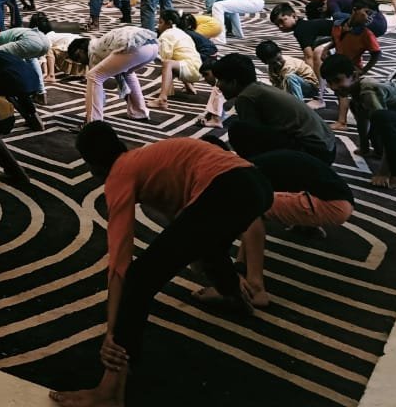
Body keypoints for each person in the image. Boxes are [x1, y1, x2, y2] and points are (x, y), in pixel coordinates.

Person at [51, 125, 272, 407]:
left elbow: (119, 264)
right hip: (257, 184)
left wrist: (112, 333)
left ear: (92, 165)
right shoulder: (146, 157)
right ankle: (234, 297)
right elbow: (183, 224)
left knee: (140, 278)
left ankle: (110, 389)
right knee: (207, 245)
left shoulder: (120, 173)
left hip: (226, 188)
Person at [201, 150, 354, 310]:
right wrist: (239, 267)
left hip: (330, 205)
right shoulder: (250, 165)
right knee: (251, 205)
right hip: (339, 200)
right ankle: (307, 225)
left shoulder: (240, 176)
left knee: (249, 208)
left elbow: (249, 218)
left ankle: (255, 287)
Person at [321, 53, 396, 190]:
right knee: (362, 109)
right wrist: (364, 148)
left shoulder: (368, 90)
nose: (333, 87)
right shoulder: (357, 92)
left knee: (380, 117)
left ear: (355, 76)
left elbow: (384, 123)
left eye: (337, 80)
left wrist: (383, 172)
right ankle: (380, 153)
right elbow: (363, 122)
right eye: (329, 82)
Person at [213, 53, 337, 165]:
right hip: (328, 146)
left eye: (220, 80)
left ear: (233, 82)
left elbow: (253, 137)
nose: (217, 85)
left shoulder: (246, 97)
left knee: (238, 130)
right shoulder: (258, 88)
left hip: (315, 153)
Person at [67, 26, 158, 123]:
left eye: (78, 57)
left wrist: (89, 114)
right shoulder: (98, 44)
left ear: (81, 50)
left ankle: (93, 123)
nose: (80, 62)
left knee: (93, 76)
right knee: (126, 73)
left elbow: (97, 91)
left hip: (135, 46)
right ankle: (139, 112)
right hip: (152, 45)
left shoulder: (93, 52)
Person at [316, 0, 383, 86]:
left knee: (345, 89)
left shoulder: (366, 34)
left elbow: (377, 53)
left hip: (352, 70)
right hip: (338, 65)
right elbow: (336, 40)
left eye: (372, 16)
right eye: (367, 13)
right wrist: (327, 48)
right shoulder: (337, 25)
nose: (369, 18)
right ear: (354, 10)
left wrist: (363, 71)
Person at [269, 2, 335, 84]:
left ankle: (320, 85)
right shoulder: (304, 24)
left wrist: (311, 79)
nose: (280, 26)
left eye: (282, 21)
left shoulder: (300, 30)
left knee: (317, 55)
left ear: (294, 16)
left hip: (341, 39)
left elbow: (309, 56)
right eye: (277, 24)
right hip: (334, 39)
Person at [152, 9, 202, 110]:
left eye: (160, 22)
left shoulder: (166, 35)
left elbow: (165, 58)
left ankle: (162, 99)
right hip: (199, 69)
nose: (158, 26)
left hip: (189, 69)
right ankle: (189, 86)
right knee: (177, 59)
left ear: (169, 23)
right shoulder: (181, 32)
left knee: (167, 63)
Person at [189, 0, 265, 44]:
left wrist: (194, 25)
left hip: (252, 1)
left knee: (217, 6)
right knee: (227, 8)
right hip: (256, 0)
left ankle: (219, 39)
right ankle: (236, 33)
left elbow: (210, 15)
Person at [309, 0, 388, 37]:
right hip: (381, 24)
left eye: (323, 16)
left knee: (337, 20)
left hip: (378, 25)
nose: (326, 17)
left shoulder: (331, 2)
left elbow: (337, 16)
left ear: (321, 9)